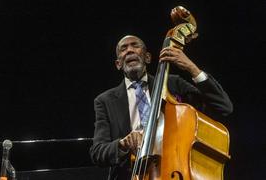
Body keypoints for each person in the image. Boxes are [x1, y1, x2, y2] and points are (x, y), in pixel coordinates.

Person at [89, 35, 233, 180]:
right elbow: (98, 152)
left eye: (135, 46)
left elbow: (223, 106)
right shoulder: (105, 101)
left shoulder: (172, 84)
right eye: (123, 49)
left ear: (148, 57)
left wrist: (191, 68)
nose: (130, 50)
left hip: (174, 169)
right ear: (118, 64)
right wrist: (122, 144)